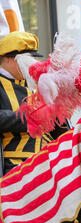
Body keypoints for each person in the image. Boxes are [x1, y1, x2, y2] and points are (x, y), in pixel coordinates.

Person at [0, 31, 44, 175]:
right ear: (7, 58)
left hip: (46, 153)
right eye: (26, 58)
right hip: (14, 162)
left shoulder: (32, 82)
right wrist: (30, 117)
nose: (31, 64)